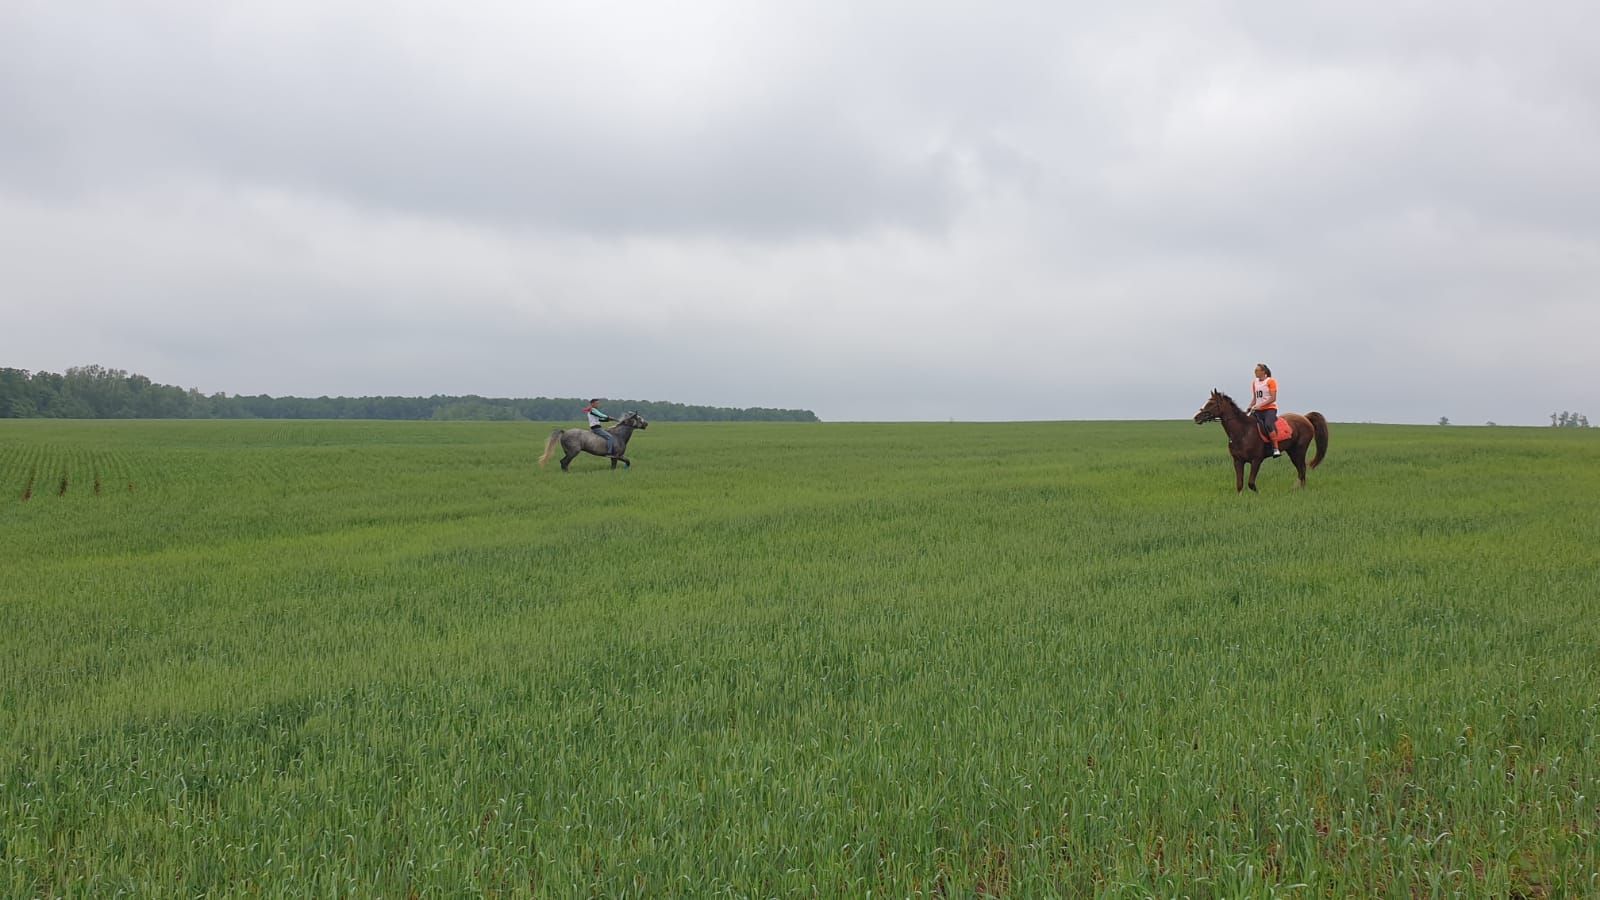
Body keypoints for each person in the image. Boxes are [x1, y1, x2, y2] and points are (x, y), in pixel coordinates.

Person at [1245, 364, 1280, 458]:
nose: (1255, 372)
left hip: (1270, 409)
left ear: (1263, 372)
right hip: (1258, 410)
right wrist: (1249, 407)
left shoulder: (1271, 381)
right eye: (1255, 370)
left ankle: (1276, 448)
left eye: (1257, 370)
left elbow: (1273, 398)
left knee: (1268, 424)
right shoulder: (1254, 382)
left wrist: (1260, 405)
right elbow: (1255, 398)